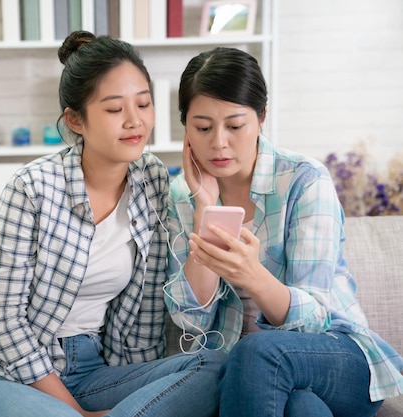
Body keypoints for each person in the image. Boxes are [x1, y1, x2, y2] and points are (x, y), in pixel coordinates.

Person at [0, 31, 225, 417]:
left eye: (143, 104)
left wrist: (204, 204)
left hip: (93, 370)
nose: (135, 121)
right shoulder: (32, 188)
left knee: (213, 365)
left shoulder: (152, 179)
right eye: (114, 110)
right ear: (76, 120)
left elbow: (145, 312)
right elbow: (1, 319)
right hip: (3, 375)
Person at [164, 46, 403, 417]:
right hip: (252, 376)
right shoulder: (183, 195)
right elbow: (192, 322)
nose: (219, 143)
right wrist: (204, 210)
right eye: (203, 127)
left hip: (335, 356)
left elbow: (315, 319)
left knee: (259, 351)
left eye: (235, 125)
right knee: (301, 407)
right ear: (186, 128)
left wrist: (252, 275)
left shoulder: (304, 180)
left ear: (261, 118)